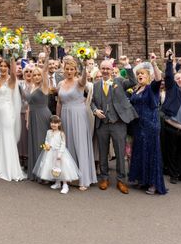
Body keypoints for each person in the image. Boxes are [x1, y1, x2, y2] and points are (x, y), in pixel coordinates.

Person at [90, 57, 137, 193]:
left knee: (120, 153)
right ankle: (104, 178)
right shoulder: (96, 85)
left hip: (118, 123)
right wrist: (95, 110)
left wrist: (127, 65)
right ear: (100, 69)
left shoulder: (119, 81)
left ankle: (121, 180)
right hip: (102, 124)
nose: (105, 71)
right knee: (103, 153)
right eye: (103, 68)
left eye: (107, 69)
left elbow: (133, 81)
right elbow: (92, 102)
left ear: (112, 70)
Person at [128, 54, 167, 195]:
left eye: (142, 74)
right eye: (138, 74)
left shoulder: (152, 88)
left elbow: (158, 79)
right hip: (138, 126)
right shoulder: (136, 89)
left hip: (150, 125)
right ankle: (142, 179)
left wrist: (154, 64)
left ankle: (153, 183)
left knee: (151, 153)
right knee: (139, 152)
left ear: (148, 76)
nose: (139, 76)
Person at [58, 57, 97, 190]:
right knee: (67, 146)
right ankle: (70, 176)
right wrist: (57, 119)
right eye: (67, 69)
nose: (69, 71)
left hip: (78, 114)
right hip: (64, 114)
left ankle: (84, 179)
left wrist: (85, 66)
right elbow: (59, 102)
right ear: (64, 70)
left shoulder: (79, 82)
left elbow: (84, 79)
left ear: (75, 70)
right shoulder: (60, 84)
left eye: (72, 69)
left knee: (80, 144)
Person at [160, 50, 181, 185]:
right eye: (178, 78)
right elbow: (169, 75)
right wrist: (170, 61)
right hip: (172, 127)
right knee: (172, 152)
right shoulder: (172, 89)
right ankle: (173, 174)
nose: (180, 80)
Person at [0, 56, 26, 182]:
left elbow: (13, 72)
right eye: (1, 66)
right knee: (1, 137)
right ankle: (1, 166)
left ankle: (10, 169)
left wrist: (12, 56)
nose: (3, 68)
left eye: (5, 66)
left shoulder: (11, 80)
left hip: (7, 112)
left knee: (7, 137)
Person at [32, 115, 81, 194]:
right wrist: (47, 145)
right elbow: (46, 140)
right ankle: (57, 183)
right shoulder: (49, 132)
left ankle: (65, 185)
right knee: (53, 168)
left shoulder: (61, 133)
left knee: (62, 168)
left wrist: (60, 154)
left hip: (59, 153)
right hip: (50, 152)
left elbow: (63, 144)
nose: (53, 124)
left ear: (59, 124)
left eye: (55, 123)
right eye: (52, 123)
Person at [26, 65, 52, 181]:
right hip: (32, 115)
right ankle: (36, 172)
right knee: (34, 142)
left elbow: (45, 71)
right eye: (34, 74)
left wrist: (46, 54)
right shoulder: (31, 86)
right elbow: (28, 105)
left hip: (42, 115)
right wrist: (27, 119)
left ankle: (44, 174)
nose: (36, 77)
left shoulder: (44, 86)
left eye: (38, 75)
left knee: (42, 143)